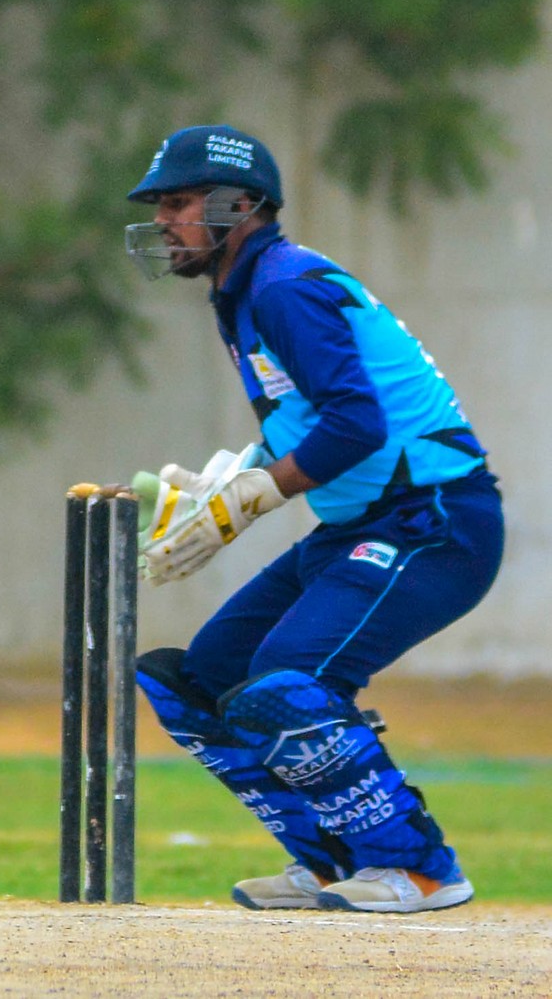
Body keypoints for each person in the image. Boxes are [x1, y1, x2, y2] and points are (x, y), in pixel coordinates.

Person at [122, 125, 503, 913]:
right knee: (198, 679)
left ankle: (419, 868)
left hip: (433, 520)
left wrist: (254, 499)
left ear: (241, 205)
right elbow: (305, 420)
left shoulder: (282, 287)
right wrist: (222, 487)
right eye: (160, 204)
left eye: (179, 201)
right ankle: (330, 857)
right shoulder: (244, 293)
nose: (163, 220)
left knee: (286, 681)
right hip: (360, 524)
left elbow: (358, 425)